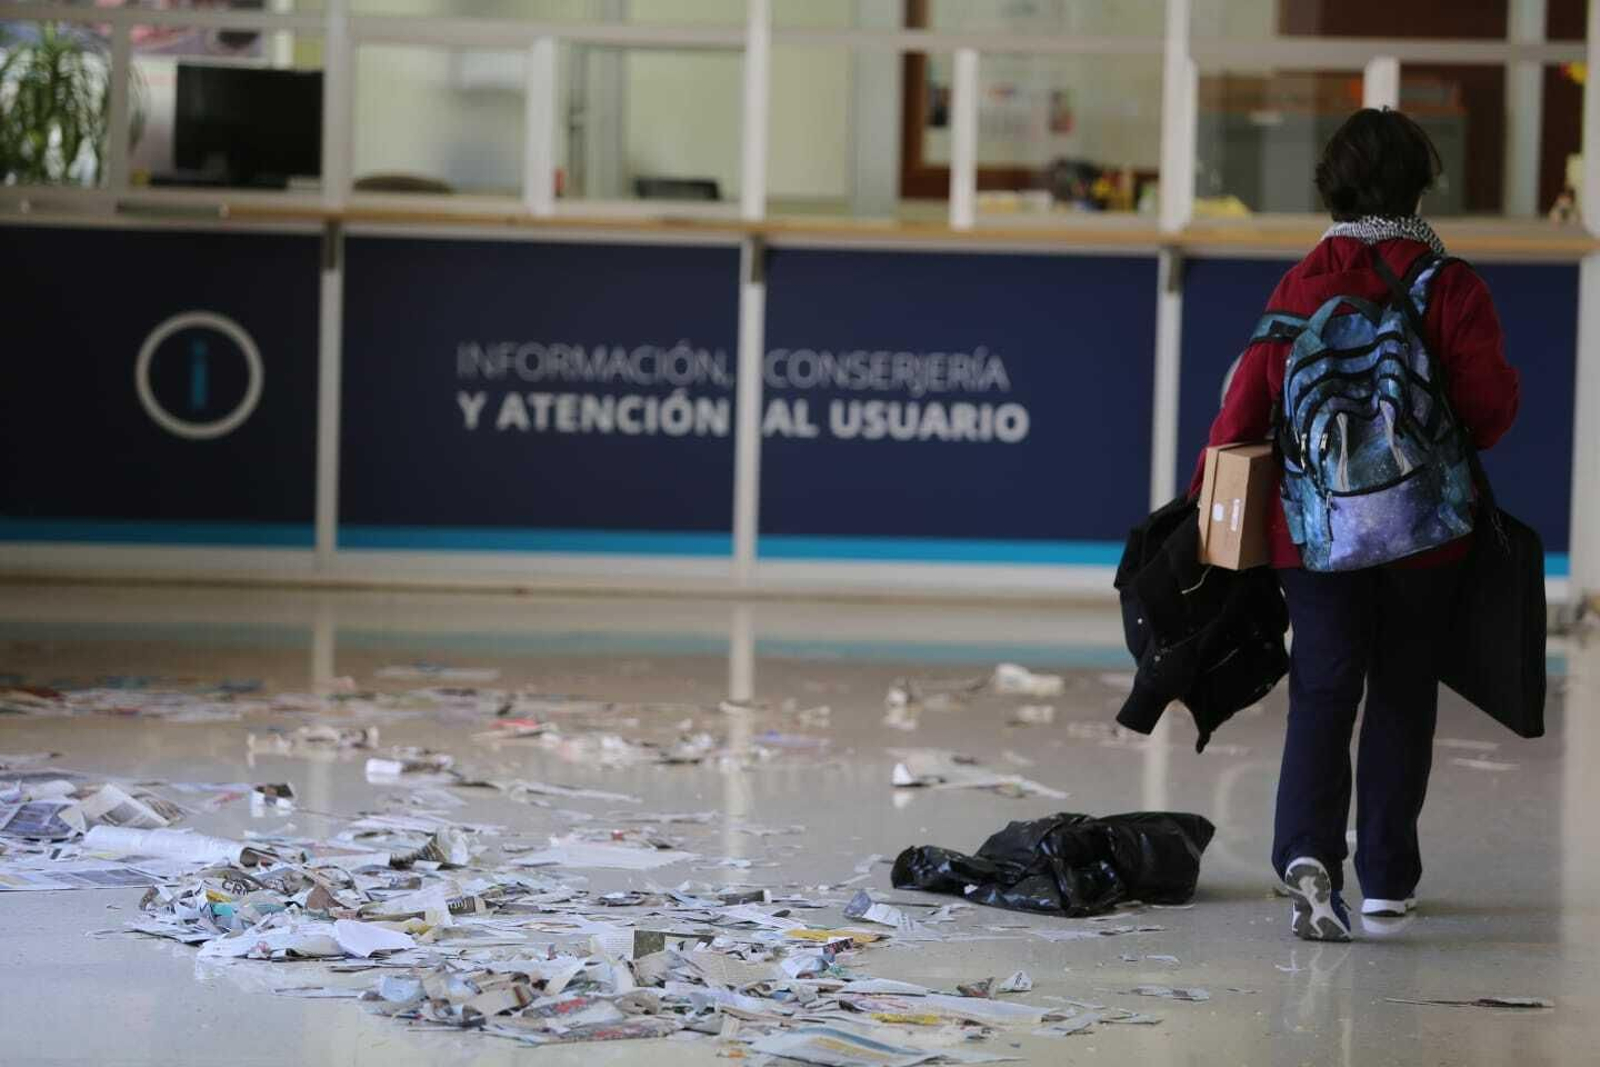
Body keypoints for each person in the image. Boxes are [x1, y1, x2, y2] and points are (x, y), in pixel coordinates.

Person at [1191, 108, 1520, 941]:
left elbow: (1244, 410)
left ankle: (1306, 852)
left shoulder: (1300, 283)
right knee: (1404, 688)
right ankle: (1387, 880)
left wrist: (1201, 502)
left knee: (1324, 688)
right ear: (1419, 188)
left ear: (1331, 190)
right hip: (1424, 532)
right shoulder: (1449, 284)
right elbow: (1489, 410)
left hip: (1315, 534)